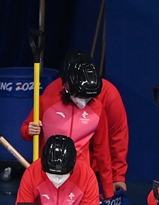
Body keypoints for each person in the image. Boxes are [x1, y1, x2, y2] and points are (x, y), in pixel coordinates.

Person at [22, 61, 114, 197]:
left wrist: (108, 191)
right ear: (69, 87)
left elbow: (103, 152)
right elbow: (25, 130)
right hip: (46, 172)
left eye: (88, 96)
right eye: (81, 95)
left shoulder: (98, 110)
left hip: (80, 177)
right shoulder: (45, 102)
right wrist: (29, 130)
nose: (84, 100)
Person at [41, 52, 130, 193]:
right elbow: (40, 134)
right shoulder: (51, 93)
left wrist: (117, 176)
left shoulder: (109, 94)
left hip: (91, 172)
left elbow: (117, 137)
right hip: (54, 170)